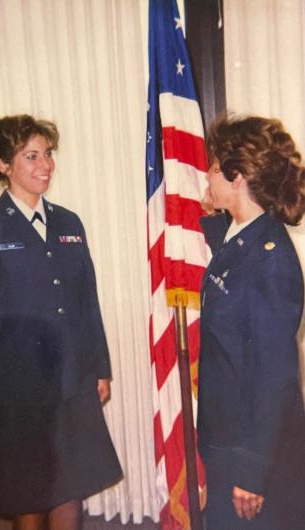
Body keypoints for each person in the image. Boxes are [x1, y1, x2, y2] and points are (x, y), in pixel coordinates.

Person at [0, 114, 122, 530]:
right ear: (3, 165)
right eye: (31, 156)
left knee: (70, 488)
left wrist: (100, 368)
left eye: (48, 154)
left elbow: (87, 301)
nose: (45, 164)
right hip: (21, 387)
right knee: (28, 494)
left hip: (72, 377)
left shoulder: (69, 222)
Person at [197, 115, 305, 530]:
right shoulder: (244, 233)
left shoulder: (270, 260)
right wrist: (215, 213)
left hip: (253, 449)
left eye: (212, 166)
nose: (206, 174)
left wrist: (251, 471)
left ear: (237, 176)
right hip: (230, 433)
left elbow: (273, 375)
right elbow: (230, 266)